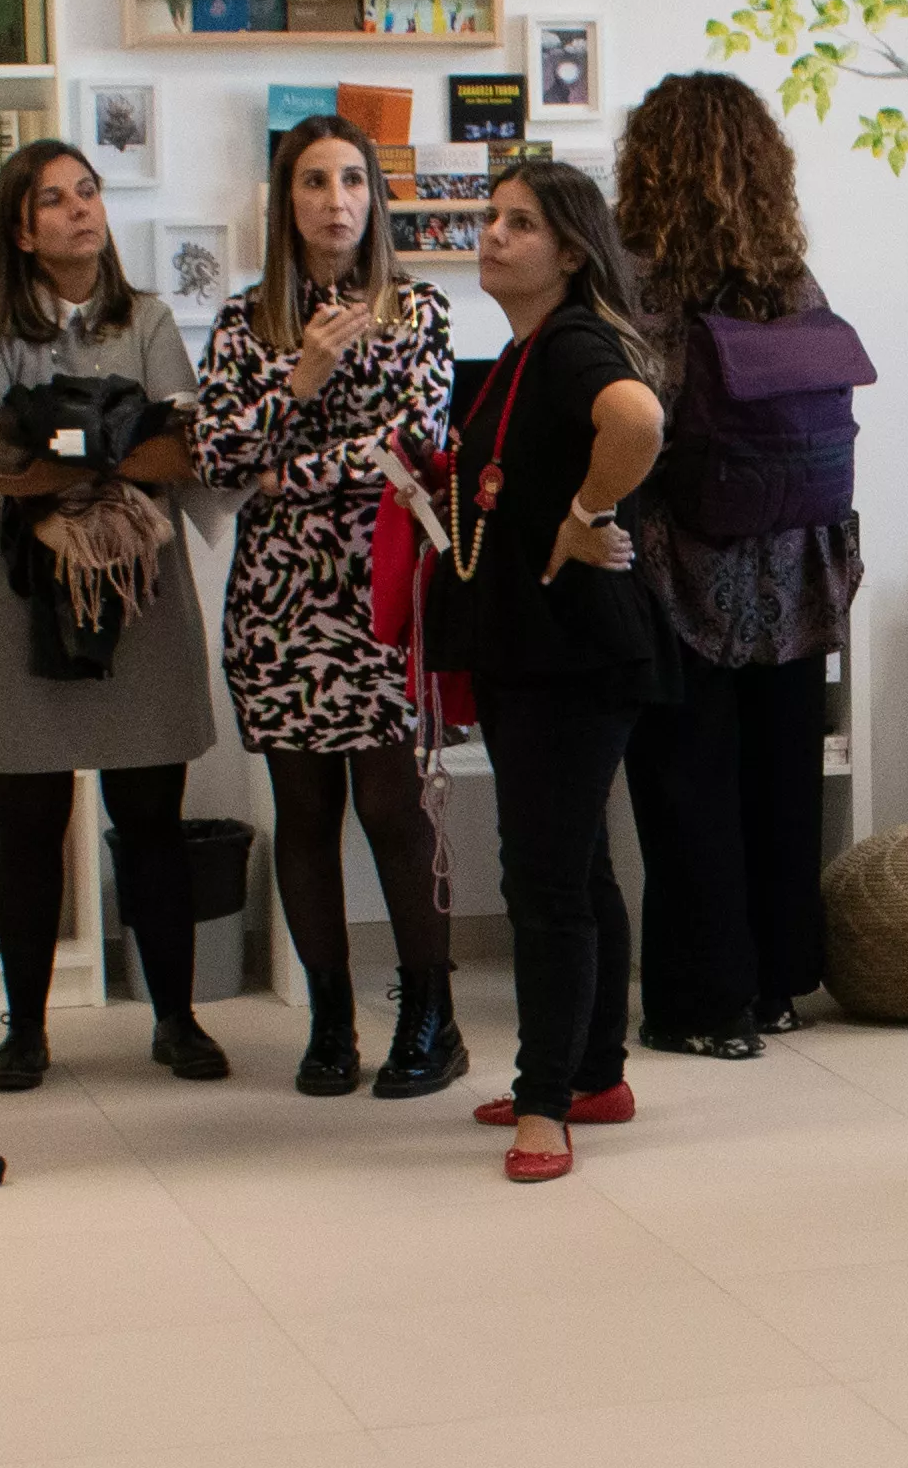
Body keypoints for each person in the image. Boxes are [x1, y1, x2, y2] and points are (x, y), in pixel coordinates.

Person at [197, 116, 468, 1101]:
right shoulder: (243, 325)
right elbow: (217, 460)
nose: (336, 199)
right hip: (278, 603)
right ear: (287, 202)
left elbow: (408, 451)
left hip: (382, 587)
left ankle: (432, 1019)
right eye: (315, 181)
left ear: (375, 198)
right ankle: (330, 1022)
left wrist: (285, 470)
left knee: (394, 808)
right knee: (305, 813)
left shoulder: (423, 312)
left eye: (353, 179)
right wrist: (300, 376)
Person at [0, 137, 229, 1091]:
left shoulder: (147, 317)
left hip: (139, 600)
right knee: (28, 825)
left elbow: (183, 454)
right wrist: (114, 444)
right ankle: (23, 1030)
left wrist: (61, 457)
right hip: (19, 604)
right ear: (22, 232)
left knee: (151, 818)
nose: (80, 211)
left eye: (89, 192)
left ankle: (177, 1020)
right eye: (55, 200)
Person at [428, 159, 673, 1181]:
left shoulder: (571, 343)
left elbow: (639, 422)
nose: (492, 235)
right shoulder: (528, 349)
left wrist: (583, 518)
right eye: (489, 218)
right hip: (547, 648)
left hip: (571, 656)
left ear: (569, 252)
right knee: (577, 870)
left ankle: (545, 1105)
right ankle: (594, 1075)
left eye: (518, 223)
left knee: (544, 881)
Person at [615, 71, 864, 1061]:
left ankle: (699, 1003)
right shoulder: (794, 281)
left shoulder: (643, 287)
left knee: (687, 786)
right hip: (800, 570)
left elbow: (641, 423)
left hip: (687, 571)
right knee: (779, 782)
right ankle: (773, 986)